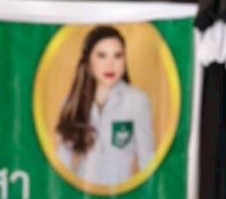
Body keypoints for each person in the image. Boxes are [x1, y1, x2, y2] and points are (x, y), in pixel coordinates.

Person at [55, 25, 155, 186]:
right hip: (83, 195)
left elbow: (147, 157)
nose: (110, 64)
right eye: (102, 56)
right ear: (88, 60)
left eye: (118, 56)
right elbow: (61, 163)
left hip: (121, 194)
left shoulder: (137, 101)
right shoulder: (71, 102)